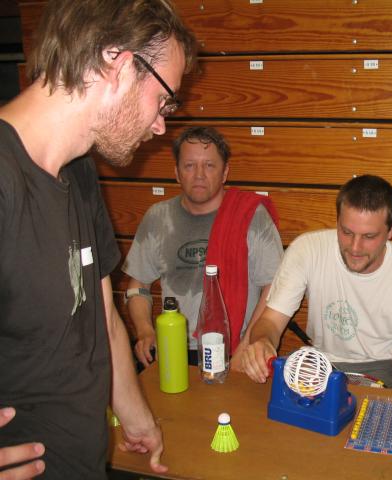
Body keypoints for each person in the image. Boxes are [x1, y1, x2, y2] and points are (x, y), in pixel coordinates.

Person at [0, 0, 196, 477]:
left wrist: (138, 417)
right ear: (119, 65)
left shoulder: (80, 173)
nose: (160, 124)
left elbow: (103, 319)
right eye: (163, 100)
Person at [241, 174, 392, 390]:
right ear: (337, 221)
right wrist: (263, 341)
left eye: (369, 236)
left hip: (384, 368)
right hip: (321, 362)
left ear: (391, 230)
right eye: (346, 232)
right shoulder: (307, 249)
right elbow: (270, 321)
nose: (355, 247)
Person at [123, 126, 283, 370]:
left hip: (232, 348)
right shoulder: (157, 217)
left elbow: (274, 287)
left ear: (224, 172)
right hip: (172, 347)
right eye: (189, 165)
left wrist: (247, 344)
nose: (199, 174)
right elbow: (138, 285)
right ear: (177, 173)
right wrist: (145, 331)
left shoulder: (251, 216)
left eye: (209, 165)